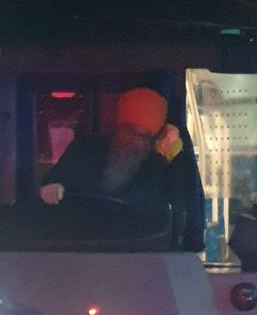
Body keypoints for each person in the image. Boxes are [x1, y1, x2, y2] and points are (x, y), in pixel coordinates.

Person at [40, 87, 182, 223]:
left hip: (135, 238)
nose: (133, 141)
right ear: (117, 128)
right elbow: (53, 180)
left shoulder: (158, 170)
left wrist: (176, 154)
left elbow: (172, 210)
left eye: (143, 137)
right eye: (128, 130)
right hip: (76, 234)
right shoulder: (84, 150)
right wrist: (52, 188)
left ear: (152, 141)